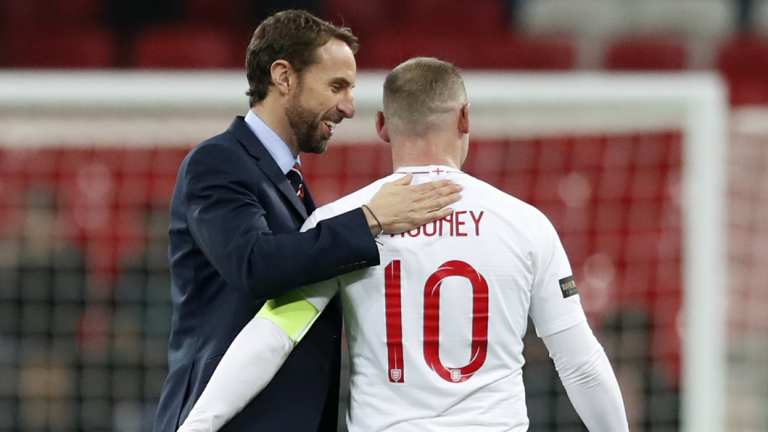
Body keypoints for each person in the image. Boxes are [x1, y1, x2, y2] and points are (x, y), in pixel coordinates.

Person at [177, 57, 629, 432]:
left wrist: (195, 426)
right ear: (465, 117)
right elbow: (580, 363)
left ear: (381, 126)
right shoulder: (525, 224)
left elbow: (272, 337)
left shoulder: (340, 224)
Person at [152, 11, 461, 432]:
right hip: (229, 421)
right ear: (283, 77)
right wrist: (370, 220)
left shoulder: (286, 182)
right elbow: (253, 263)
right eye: (337, 87)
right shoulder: (219, 162)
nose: (349, 108)